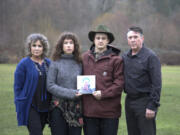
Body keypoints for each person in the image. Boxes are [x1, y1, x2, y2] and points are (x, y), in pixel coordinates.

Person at [82, 24, 124, 135]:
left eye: (103, 38)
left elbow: (119, 84)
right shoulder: (84, 57)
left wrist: (103, 94)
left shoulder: (116, 60)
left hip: (109, 113)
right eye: (98, 38)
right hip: (89, 111)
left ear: (108, 40)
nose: (100, 41)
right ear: (93, 40)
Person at [123, 26, 162, 135]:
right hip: (129, 101)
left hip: (145, 101)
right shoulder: (125, 57)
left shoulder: (150, 57)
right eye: (130, 37)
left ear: (142, 38)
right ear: (127, 40)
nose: (133, 40)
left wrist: (152, 105)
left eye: (135, 37)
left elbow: (157, 84)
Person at [14, 33, 51, 135]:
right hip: (30, 105)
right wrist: (19, 104)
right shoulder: (23, 64)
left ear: (44, 48)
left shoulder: (48, 63)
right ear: (29, 47)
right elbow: (17, 87)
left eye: (39, 46)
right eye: (34, 45)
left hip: (45, 106)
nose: (36, 48)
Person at [46, 32, 83, 135]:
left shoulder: (80, 63)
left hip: (75, 108)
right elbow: (50, 85)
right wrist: (71, 93)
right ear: (61, 46)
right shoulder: (55, 63)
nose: (68, 45)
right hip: (58, 107)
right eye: (65, 43)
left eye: (71, 43)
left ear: (75, 46)